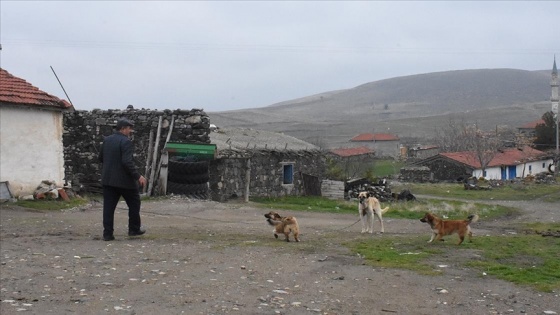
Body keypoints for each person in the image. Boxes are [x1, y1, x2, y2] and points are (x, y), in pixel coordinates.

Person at [98, 119, 147, 241]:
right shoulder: (126, 142)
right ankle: (134, 229)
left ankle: (107, 234)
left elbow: (100, 158)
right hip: (125, 181)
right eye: (129, 129)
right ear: (123, 129)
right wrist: (138, 176)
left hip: (108, 180)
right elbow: (127, 162)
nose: (131, 131)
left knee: (108, 207)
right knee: (134, 203)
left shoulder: (107, 140)